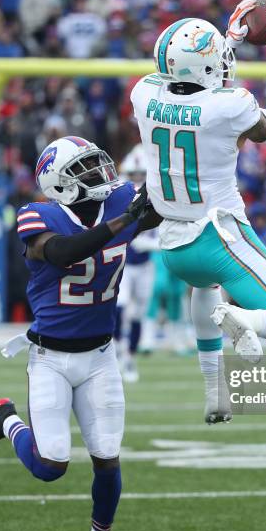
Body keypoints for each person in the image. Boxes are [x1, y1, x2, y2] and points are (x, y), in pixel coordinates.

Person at [0, 135, 160, 531]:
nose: (100, 175)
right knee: (50, 467)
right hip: (51, 358)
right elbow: (63, 252)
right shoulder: (38, 216)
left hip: (101, 357)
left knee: (107, 457)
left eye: (98, 164)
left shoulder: (122, 201)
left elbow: (159, 210)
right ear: (60, 183)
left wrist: (169, 193)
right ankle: (4, 421)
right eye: (85, 170)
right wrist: (124, 221)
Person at [131, 0, 266, 424]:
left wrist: (228, 38)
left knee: (205, 289)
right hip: (221, 237)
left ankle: (216, 392)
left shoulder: (143, 94)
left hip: (175, 247)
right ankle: (243, 318)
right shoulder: (229, 104)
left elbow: (188, 77)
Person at [115, 144, 158, 382]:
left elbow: (163, 231)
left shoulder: (155, 195)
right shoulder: (121, 197)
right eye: (135, 175)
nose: (139, 179)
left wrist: (151, 244)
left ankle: (129, 357)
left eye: (143, 175)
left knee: (139, 313)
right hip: (124, 264)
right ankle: (117, 350)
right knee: (119, 308)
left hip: (145, 265)